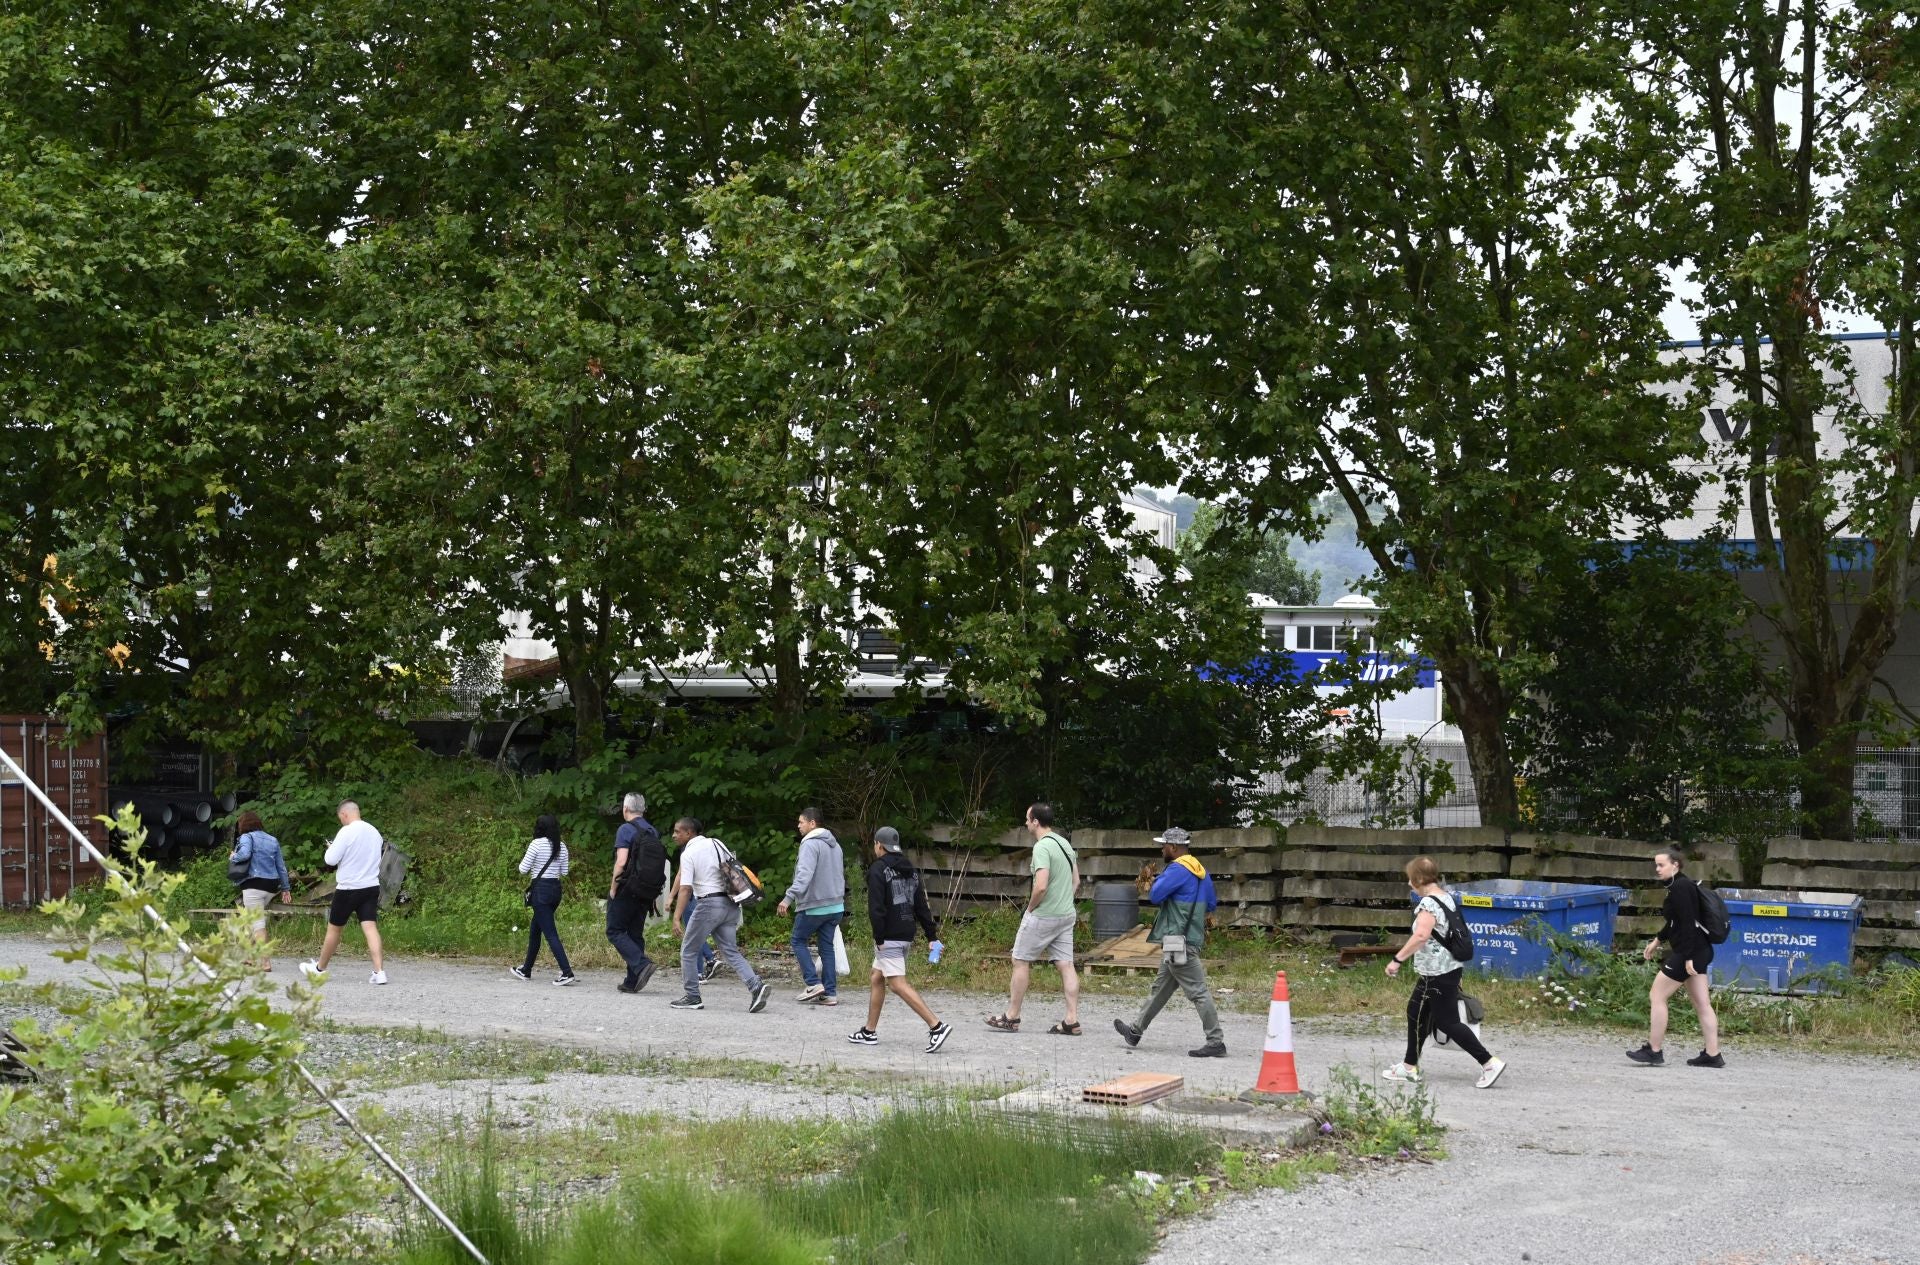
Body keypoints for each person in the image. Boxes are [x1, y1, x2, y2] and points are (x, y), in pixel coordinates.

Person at [1381, 856, 1506, 1088]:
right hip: (1443, 970)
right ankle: (1409, 1067)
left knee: (1448, 1022)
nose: (1409, 884)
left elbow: (1421, 935)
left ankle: (1489, 1063)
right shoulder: (1445, 897)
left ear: (1418, 878)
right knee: (1415, 1012)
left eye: (1410, 879)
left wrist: (1397, 960)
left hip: (1438, 973)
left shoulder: (1428, 904)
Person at [1111, 827, 1226, 1058]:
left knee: (1198, 991)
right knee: (1160, 989)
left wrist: (1161, 880)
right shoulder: (1200, 869)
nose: (1162, 849)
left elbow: (1155, 895)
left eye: (1164, 845)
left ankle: (1215, 1041)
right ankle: (1134, 1031)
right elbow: (1211, 904)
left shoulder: (1177, 869)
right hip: (1190, 936)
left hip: (1176, 940)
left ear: (1174, 848)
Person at [849, 827, 951, 1053]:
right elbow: (922, 906)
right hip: (906, 933)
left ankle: (936, 1026)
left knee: (897, 984)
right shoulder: (910, 870)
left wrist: (879, 937)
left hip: (889, 936)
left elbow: (876, 908)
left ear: (879, 845)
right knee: (877, 977)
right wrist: (931, 936)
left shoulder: (877, 869)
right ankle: (869, 1031)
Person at [985, 802, 1082, 1034]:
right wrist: (1063, 902)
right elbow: (1076, 881)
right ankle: (1071, 1019)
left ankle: (1012, 1017)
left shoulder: (1042, 847)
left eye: (1027, 819)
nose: (1025, 823)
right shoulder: (1065, 843)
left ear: (1036, 821)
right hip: (1067, 914)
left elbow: (1040, 886)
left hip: (1043, 916)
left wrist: (1030, 909)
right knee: (1066, 965)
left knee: (1020, 960)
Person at [1629, 849, 1724, 1068]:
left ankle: (1654, 1050)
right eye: (1656, 865)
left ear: (1675, 865)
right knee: (1702, 1004)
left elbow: (1689, 922)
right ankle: (1712, 1055)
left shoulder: (1681, 887)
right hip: (1699, 950)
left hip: (1690, 952)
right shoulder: (1679, 886)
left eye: (1661, 865)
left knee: (1657, 995)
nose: (1657, 869)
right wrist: (1658, 940)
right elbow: (1676, 922)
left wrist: (1688, 957)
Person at [667, 817, 772, 1012]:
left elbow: (685, 888)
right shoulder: (716, 843)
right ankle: (756, 986)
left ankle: (692, 996)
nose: (674, 835)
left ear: (689, 833)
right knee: (730, 951)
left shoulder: (688, 853)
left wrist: (676, 916)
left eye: (677, 831)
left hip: (708, 904)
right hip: (731, 902)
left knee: (688, 951)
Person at [302, 801, 388, 985]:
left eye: (340, 817)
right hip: (371, 886)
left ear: (344, 814)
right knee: (370, 927)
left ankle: (319, 969)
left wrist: (331, 848)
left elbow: (330, 860)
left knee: (334, 929)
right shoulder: (374, 832)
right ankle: (379, 971)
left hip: (349, 888)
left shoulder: (346, 831)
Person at [778, 807, 845, 1005]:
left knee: (798, 940)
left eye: (801, 822)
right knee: (827, 949)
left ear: (812, 823)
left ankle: (813, 983)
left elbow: (804, 876)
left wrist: (788, 898)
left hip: (814, 905)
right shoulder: (836, 846)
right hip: (836, 906)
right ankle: (830, 993)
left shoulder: (809, 845)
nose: (798, 826)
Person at [608, 792, 666, 994]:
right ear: (643, 810)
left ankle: (641, 964)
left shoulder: (625, 829)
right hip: (646, 890)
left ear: (625, 809)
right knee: (634, 933)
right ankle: (632, 981)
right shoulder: (652, 831)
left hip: (628, 888)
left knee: (614, 930)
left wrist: (613, 888)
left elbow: (621, 862)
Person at [513, 813, 575, 985]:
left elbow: (523, 869)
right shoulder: (561, 846)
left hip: (541, 892)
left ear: (539, 828)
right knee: (535, 931)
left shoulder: (536, 844)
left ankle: (567, 972)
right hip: (556, 891)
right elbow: (564, 872)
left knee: (550, 934)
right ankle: (526, 969)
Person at [228, 811, 291, 971]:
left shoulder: (246, 837)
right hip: (271, 886)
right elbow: (281, 867)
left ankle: (265, 962)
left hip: (253, 884)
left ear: (244, 825)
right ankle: (249, 958)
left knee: (257, 924)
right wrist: (285, 888)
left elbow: (245, 854)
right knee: (252, 920)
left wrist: (234, 856)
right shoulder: (272, 840)